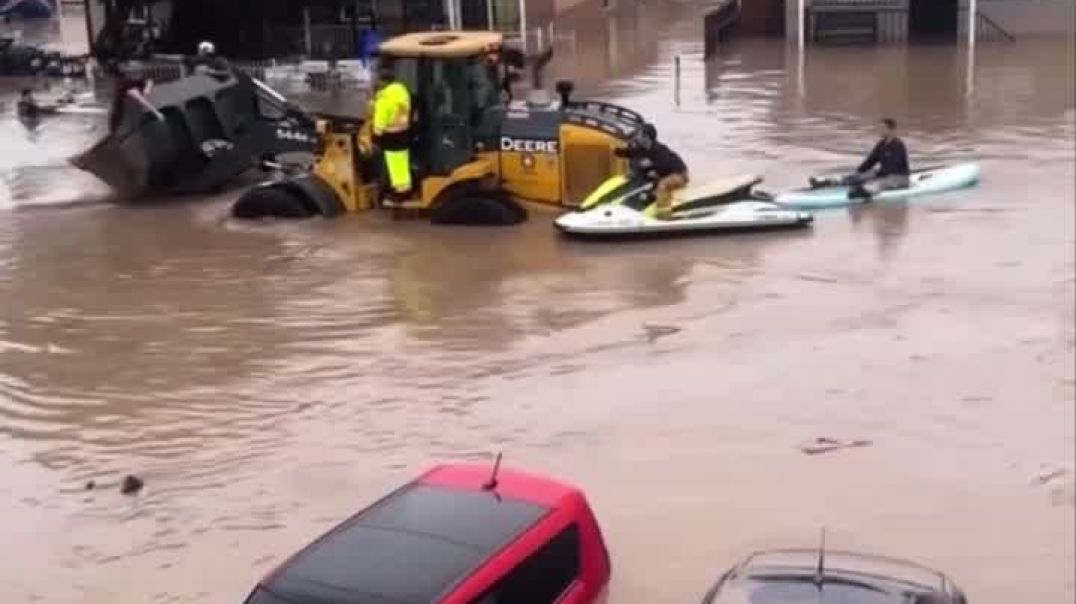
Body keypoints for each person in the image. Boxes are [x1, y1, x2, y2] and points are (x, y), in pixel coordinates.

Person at [616, 123, 689, 220]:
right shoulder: (641, 149)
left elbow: (666, 166)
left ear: (646, 137)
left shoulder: (659, 150)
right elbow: (626, 153)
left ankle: (664, 215)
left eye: (639, 134)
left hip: (678, 174)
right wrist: (618, 145)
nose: (636, 137)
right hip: (662, 174)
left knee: (663, 185)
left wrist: (653, 168)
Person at [832, 117, 910, 199]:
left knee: (879, 182)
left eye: (882, 128)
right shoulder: (881, 144)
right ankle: (832, 182)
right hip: (884, 174)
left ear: (891, 130)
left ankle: (863, 192)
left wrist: (874, 176)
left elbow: (892, 167)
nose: (879, 130)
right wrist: (858, 173)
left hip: (899, 177)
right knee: (860, 177)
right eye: (879, 128)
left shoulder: (898, 145)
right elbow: (870, 161)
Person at [371, 61, 413, 202]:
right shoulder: (401, 90)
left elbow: (381, 117)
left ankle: (401, 191)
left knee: (394, 164)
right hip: (403, 132)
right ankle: (403, 187)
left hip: (391, 135)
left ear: (383, 82)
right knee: (401, 162)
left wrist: (376, 134)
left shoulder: (386, 97)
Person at [109, 64, 153, 132]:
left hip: (124, 118)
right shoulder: (124, 83)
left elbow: (145, 81)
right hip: (123, 121)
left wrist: (148, 85)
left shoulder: (128, 80)